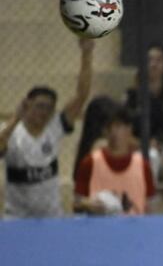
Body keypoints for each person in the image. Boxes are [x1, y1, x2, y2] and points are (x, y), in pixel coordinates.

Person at [0, 38, 94, 218]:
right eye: (39, 106)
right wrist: (15, 119)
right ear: (27, 105)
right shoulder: (11, 131)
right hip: (17, 217)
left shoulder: (55, 126)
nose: (44, 112)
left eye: (49, 108)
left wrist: (86, 54)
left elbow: (82, 95)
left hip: (51, 216)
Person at [73, 106, 156, 215]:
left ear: (129, 129)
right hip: (100, 228)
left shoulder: (142, 165)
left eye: (118, 126)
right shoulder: (90, 162)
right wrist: (87, 204)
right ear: (104, 131)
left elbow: (149, 206)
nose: (113, 132)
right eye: (109, 127)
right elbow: (76, 202)